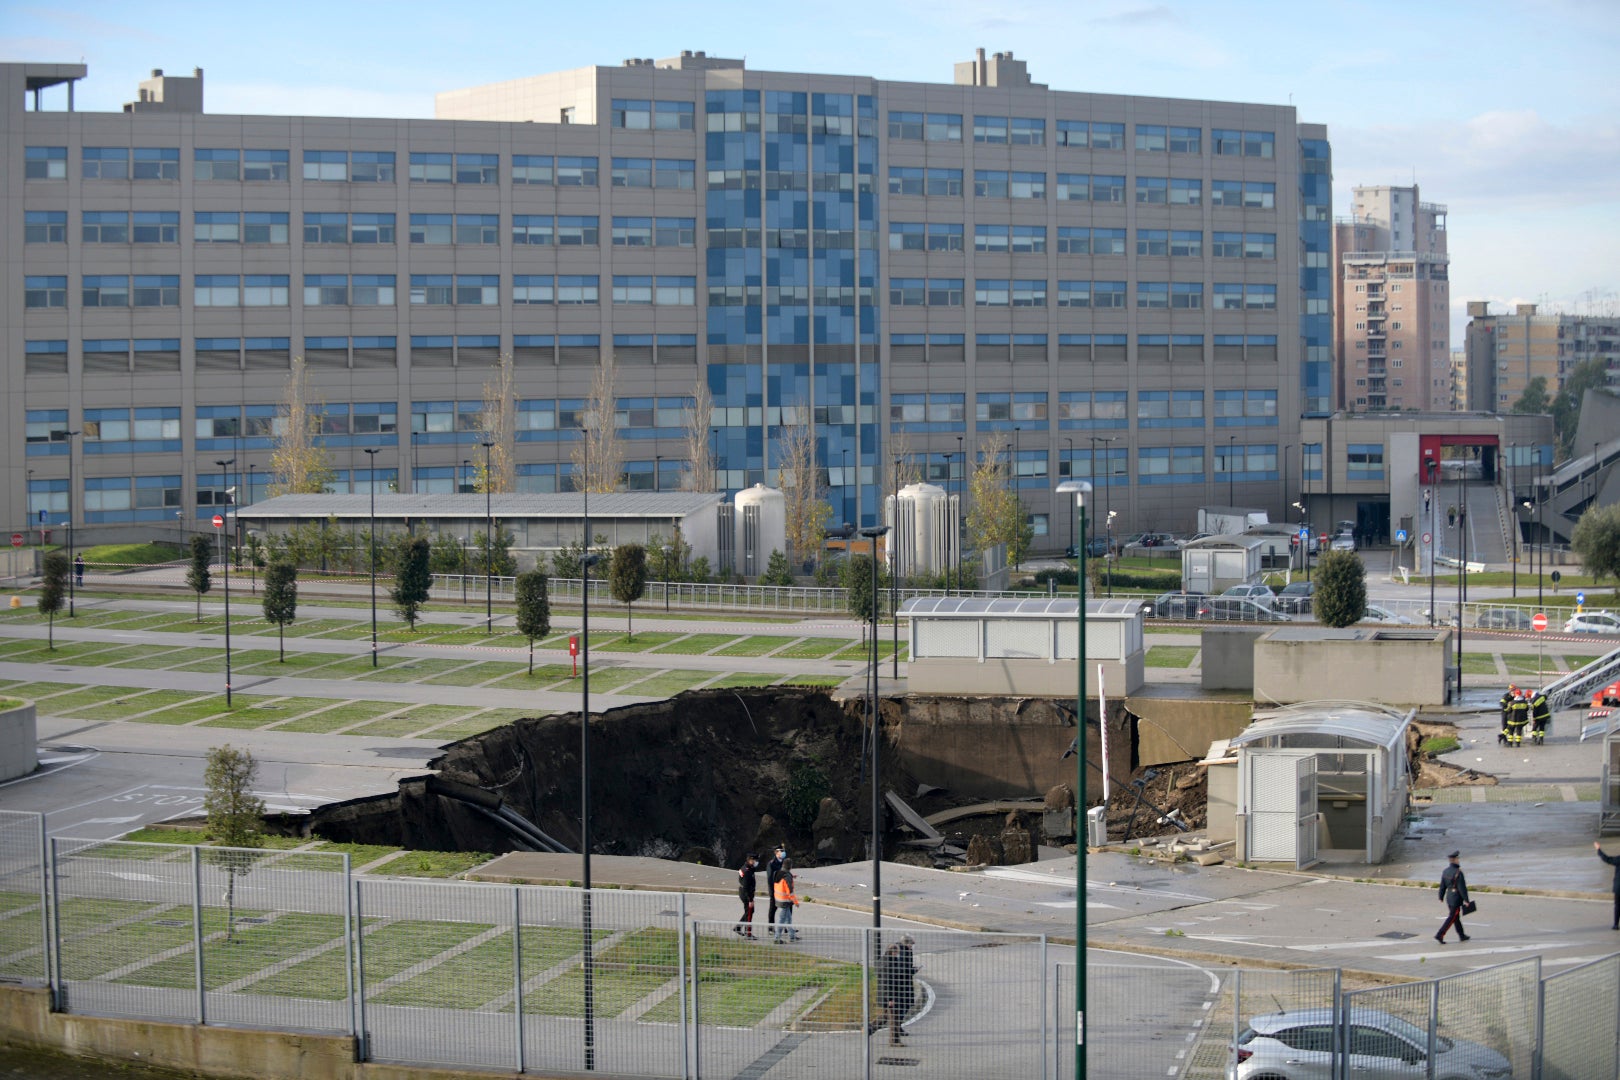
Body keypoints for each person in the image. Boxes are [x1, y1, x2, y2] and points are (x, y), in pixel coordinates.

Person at [874, 935, 919, 1046]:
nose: (897, 955)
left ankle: (869, 1028)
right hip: (892, 995)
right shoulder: (889, 964)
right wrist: (890, 998)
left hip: (891, 993)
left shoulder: (888, 960)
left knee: (887, 1016)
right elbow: (887, 982)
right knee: (894, 1017)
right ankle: (894, 1041)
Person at [1435, 850, 1471, 944]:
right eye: (1458, 858)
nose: (1459, 860)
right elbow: (1462, 888)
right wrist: (1466, 900)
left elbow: (1442, 885)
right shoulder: (1458, 873)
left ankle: (1462, 935)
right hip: (1456, 899)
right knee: (1452, 917)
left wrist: (1440, 896)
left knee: (1456, 917)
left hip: (1449, 897)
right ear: (1454, 860)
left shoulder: (1445, 871)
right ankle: (1440, 934)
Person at [771, 857, 800, 943]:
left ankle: (792, 936)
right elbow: (790, 892)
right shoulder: (787, 876)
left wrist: (791, 876)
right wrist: (796, 902)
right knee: (782, 920)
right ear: (790, 866)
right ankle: (776, 938)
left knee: (788, 919)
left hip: (778, 899)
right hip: (785, 901)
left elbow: (781, 882)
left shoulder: (778, 873)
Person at [733, 853, 758, 938]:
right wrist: (750, 900)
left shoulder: (745, 867)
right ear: (750, 860)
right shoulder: (747, 871)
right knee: (749, 912)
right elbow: (746, 887)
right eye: (754, 860)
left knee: (749, 911)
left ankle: (738, 927)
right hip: (746, 894)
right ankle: (748, 933)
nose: (756, 862)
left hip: (744, 892)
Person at [1598, 842, 1620, 931]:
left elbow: (1607, 859)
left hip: (1618, 887)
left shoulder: (1619, 859)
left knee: (1618, 905)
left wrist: (1599, 850)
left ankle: (1615, 925)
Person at [765, 845, 785, 929]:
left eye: (783, 850)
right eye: (781, 851)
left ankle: (787, 928)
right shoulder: (771, 863)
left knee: (787, 908)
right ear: (776, 852)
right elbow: (770, 878)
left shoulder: (783, 861)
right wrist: (773, 891)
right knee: (773, 908)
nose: (783, 852)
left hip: (783, 888)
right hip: (774, 889)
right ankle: (771, 927)